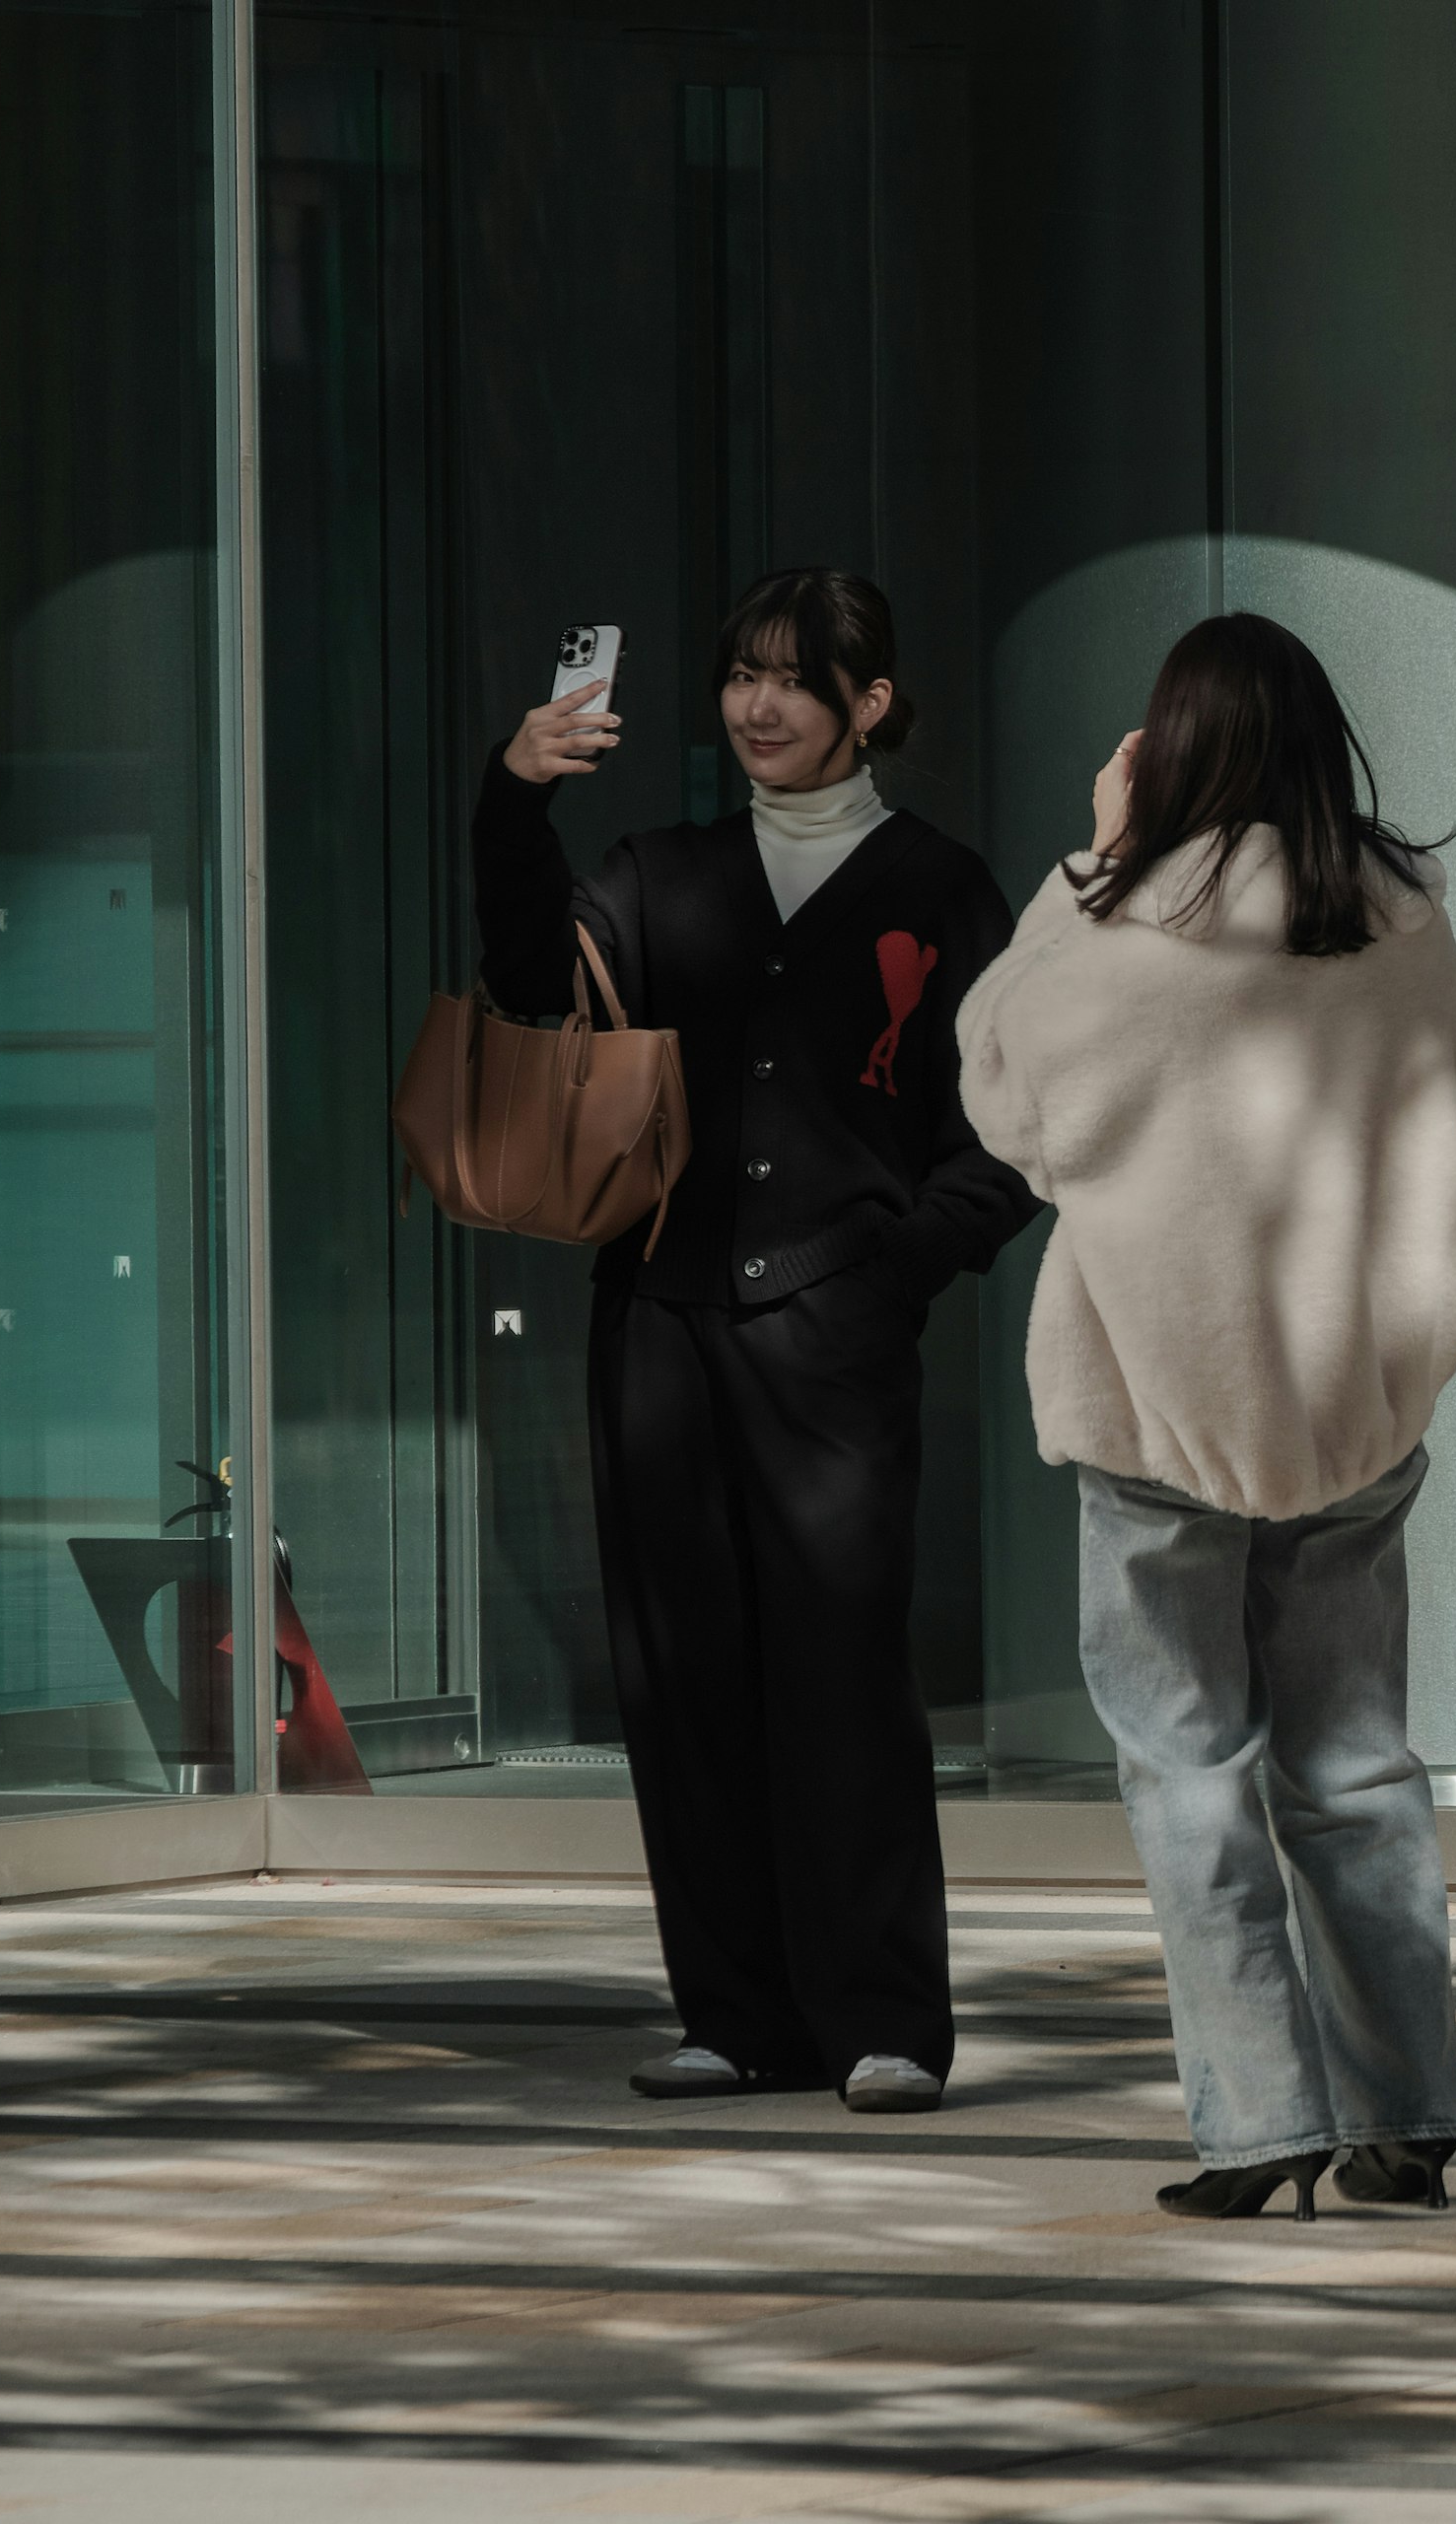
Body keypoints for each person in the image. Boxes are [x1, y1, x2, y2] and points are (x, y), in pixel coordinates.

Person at [480, 567, 1037, 2115]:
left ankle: (882, 2023)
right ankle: (733, 2014)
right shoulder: (662, 870)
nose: (759, 705)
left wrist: (886, 1272)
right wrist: (513, 805)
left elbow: (1006, 1140)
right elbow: (534, 997)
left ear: (870, 703)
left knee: (844, 1675)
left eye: (796, 679)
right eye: (740, 675)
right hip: (657, 1325)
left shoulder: (942, 888)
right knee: (682, 1676)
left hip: (834, 1339)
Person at [956, 611, 1456, 2224]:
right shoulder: (1408, 929)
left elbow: (1004, 1101)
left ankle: (1257, 2127)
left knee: (1187, 1766)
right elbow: (1445, 1120)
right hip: (1352, 1411)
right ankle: (1408, 2113)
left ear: (1165, 751)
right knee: (1356, 1762)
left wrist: (1088, 863)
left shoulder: (1117, 941)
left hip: (1156, 1412)